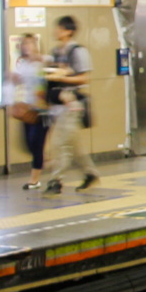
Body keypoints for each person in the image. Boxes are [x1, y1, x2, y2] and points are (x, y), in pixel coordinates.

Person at [42, 15, 100, 193]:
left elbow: (85, 78)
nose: (55, 31)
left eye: (59, 28)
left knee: (60, 143)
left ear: (69, 31)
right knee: (75, 146)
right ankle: (90, 174)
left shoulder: (78, 51)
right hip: (58, 103)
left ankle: (56, 180)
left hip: (71, 103)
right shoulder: (55, 52)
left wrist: (63, 76)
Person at [8, 33, 49, 189]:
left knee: (37, 143)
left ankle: (34, 179)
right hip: (27, 108)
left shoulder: (44, 61)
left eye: (30, 43)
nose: (27, 46)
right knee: (28, 143)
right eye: (24, 43)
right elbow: (19, 80)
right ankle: (43, 161)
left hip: (42, 109)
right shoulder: (23, 64)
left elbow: (50, 78)